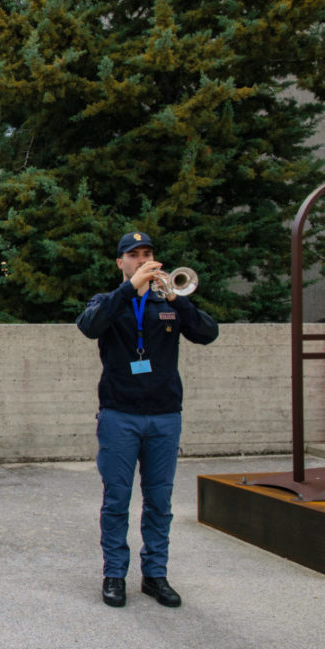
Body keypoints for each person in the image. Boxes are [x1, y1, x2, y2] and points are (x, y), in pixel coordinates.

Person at [76, 231, 218, 609]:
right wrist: (129, 291)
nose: (142, 260)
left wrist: (177, 298)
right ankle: (114, 575)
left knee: (160, 501)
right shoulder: (109, 301)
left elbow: (207, 333)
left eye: (148, 253)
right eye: (133, 255)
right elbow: (89, 326)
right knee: (117, 500)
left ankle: (155, 575)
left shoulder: (168, 300)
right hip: (119, 415)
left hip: (164, 416)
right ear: (120, 262)